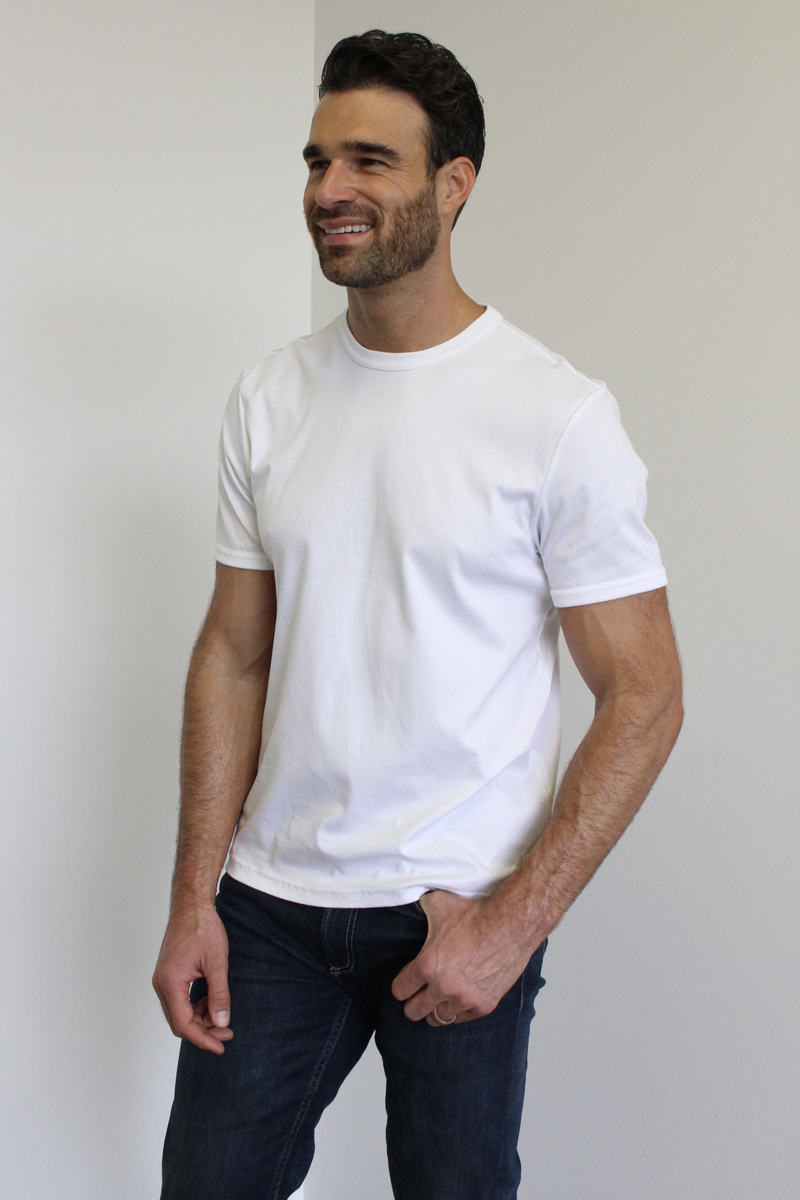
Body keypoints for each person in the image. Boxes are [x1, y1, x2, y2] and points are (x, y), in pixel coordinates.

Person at [153, 29, 683, 1200]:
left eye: (369, 161)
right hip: (271, 909)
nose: (328, 189)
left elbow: (644, 696)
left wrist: (511, 924)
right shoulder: (268, 398)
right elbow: (232, 655)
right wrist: (194, 898)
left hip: (455, 907)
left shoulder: (554, 414)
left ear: (454, 183)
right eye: (317, 160)